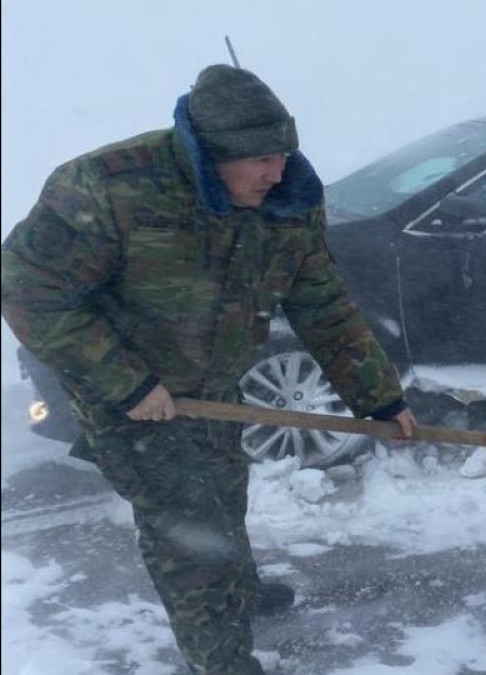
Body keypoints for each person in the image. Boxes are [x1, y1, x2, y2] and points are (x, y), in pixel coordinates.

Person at [1, 64, 416, 674]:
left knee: (224, 492)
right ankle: (219, 659)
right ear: (211, 153)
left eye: (283, 154)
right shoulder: (106, 187)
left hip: (216, 387)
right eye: (259, 159)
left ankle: (237, 591)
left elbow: (322, 301)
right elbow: (26, 288)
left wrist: (378, 398)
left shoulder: (288, 202)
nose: (277, 172)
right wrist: (128, 382)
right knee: (188, 533)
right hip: (129, 394)